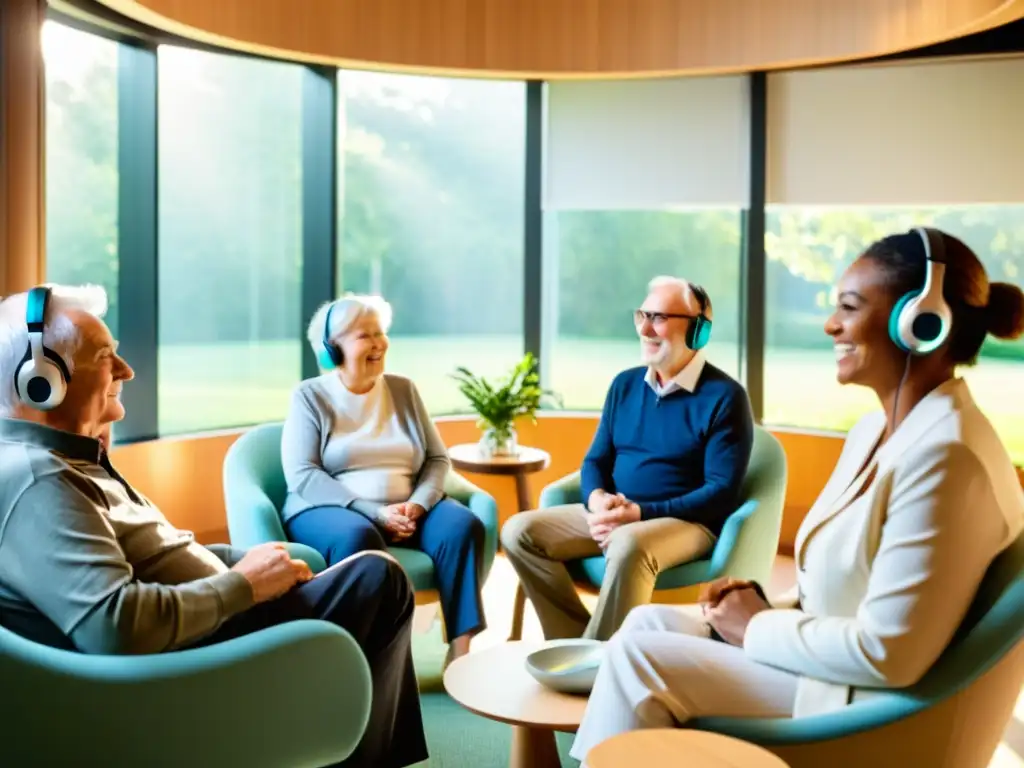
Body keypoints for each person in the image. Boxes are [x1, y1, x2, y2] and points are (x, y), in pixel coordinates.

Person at [569, 228, 1024, 761]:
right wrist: (767, 605)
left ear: (920, 324)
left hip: (861, 702)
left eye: (849, 308)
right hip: (829, 664)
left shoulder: (949, 459)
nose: (830, 324)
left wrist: (757, 626)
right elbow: (846, 586)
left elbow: (890, 655)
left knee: (638, 659)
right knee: (644, 624)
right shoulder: (873, 431)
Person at [0, 285, 427, 768]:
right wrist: (244, 584)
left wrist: (235, 561)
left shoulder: (66, 461)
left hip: (205, 623)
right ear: (42, 380)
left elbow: (150, 557)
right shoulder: (41, 480)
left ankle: (346, 744)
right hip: (193, 660)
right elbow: (113, 627)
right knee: (379, 579)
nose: (126, 371)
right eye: (106, 357)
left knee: (340, 570)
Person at [501, 276, 755, 641]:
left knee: (628, 543)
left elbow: (721, 492)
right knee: (519, 532)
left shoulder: (725, 397)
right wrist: (597, 499)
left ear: (698, 331)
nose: (645, 328)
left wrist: (639, 513)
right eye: (643, 315)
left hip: (687, 523)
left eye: (660, 318)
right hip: (618, 513)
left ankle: (598, 662)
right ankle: (576, 643)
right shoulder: (624, 384)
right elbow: (595, 461)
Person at [281, 294, 487, 663]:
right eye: (364, 336)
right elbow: (303, 475)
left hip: (407, 506)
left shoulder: (403, 389)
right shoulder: (310, 396)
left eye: (380, 333)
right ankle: (368, 657)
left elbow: (437, 458)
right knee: (361, 537)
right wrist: (374, 513)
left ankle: (460, 652)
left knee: (462, 526)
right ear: (333, 349)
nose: (378, 344)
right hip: (327, 507)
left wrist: (418, 504)